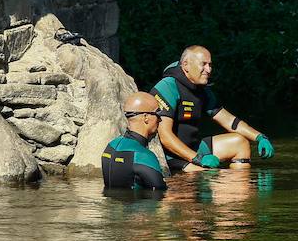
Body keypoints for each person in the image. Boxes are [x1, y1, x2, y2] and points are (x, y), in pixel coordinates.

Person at [150, 45, 275, 173]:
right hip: (171, 156)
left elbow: (229, 121)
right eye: (203, 64)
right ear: (186, 65)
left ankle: (240, 188)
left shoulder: (203, 89)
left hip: (194, 148)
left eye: (210, 65)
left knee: (240, 143)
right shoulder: (168, 86)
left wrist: (259, 137)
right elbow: (165, 136)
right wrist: (197, 158)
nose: (208, 70)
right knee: (208, 175)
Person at [101, 92, 168, 190]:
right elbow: (160, 194)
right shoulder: (143, 155)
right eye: (158, 114)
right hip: (138, 204)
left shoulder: (110, 146)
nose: (160, 120)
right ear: (146, 117)